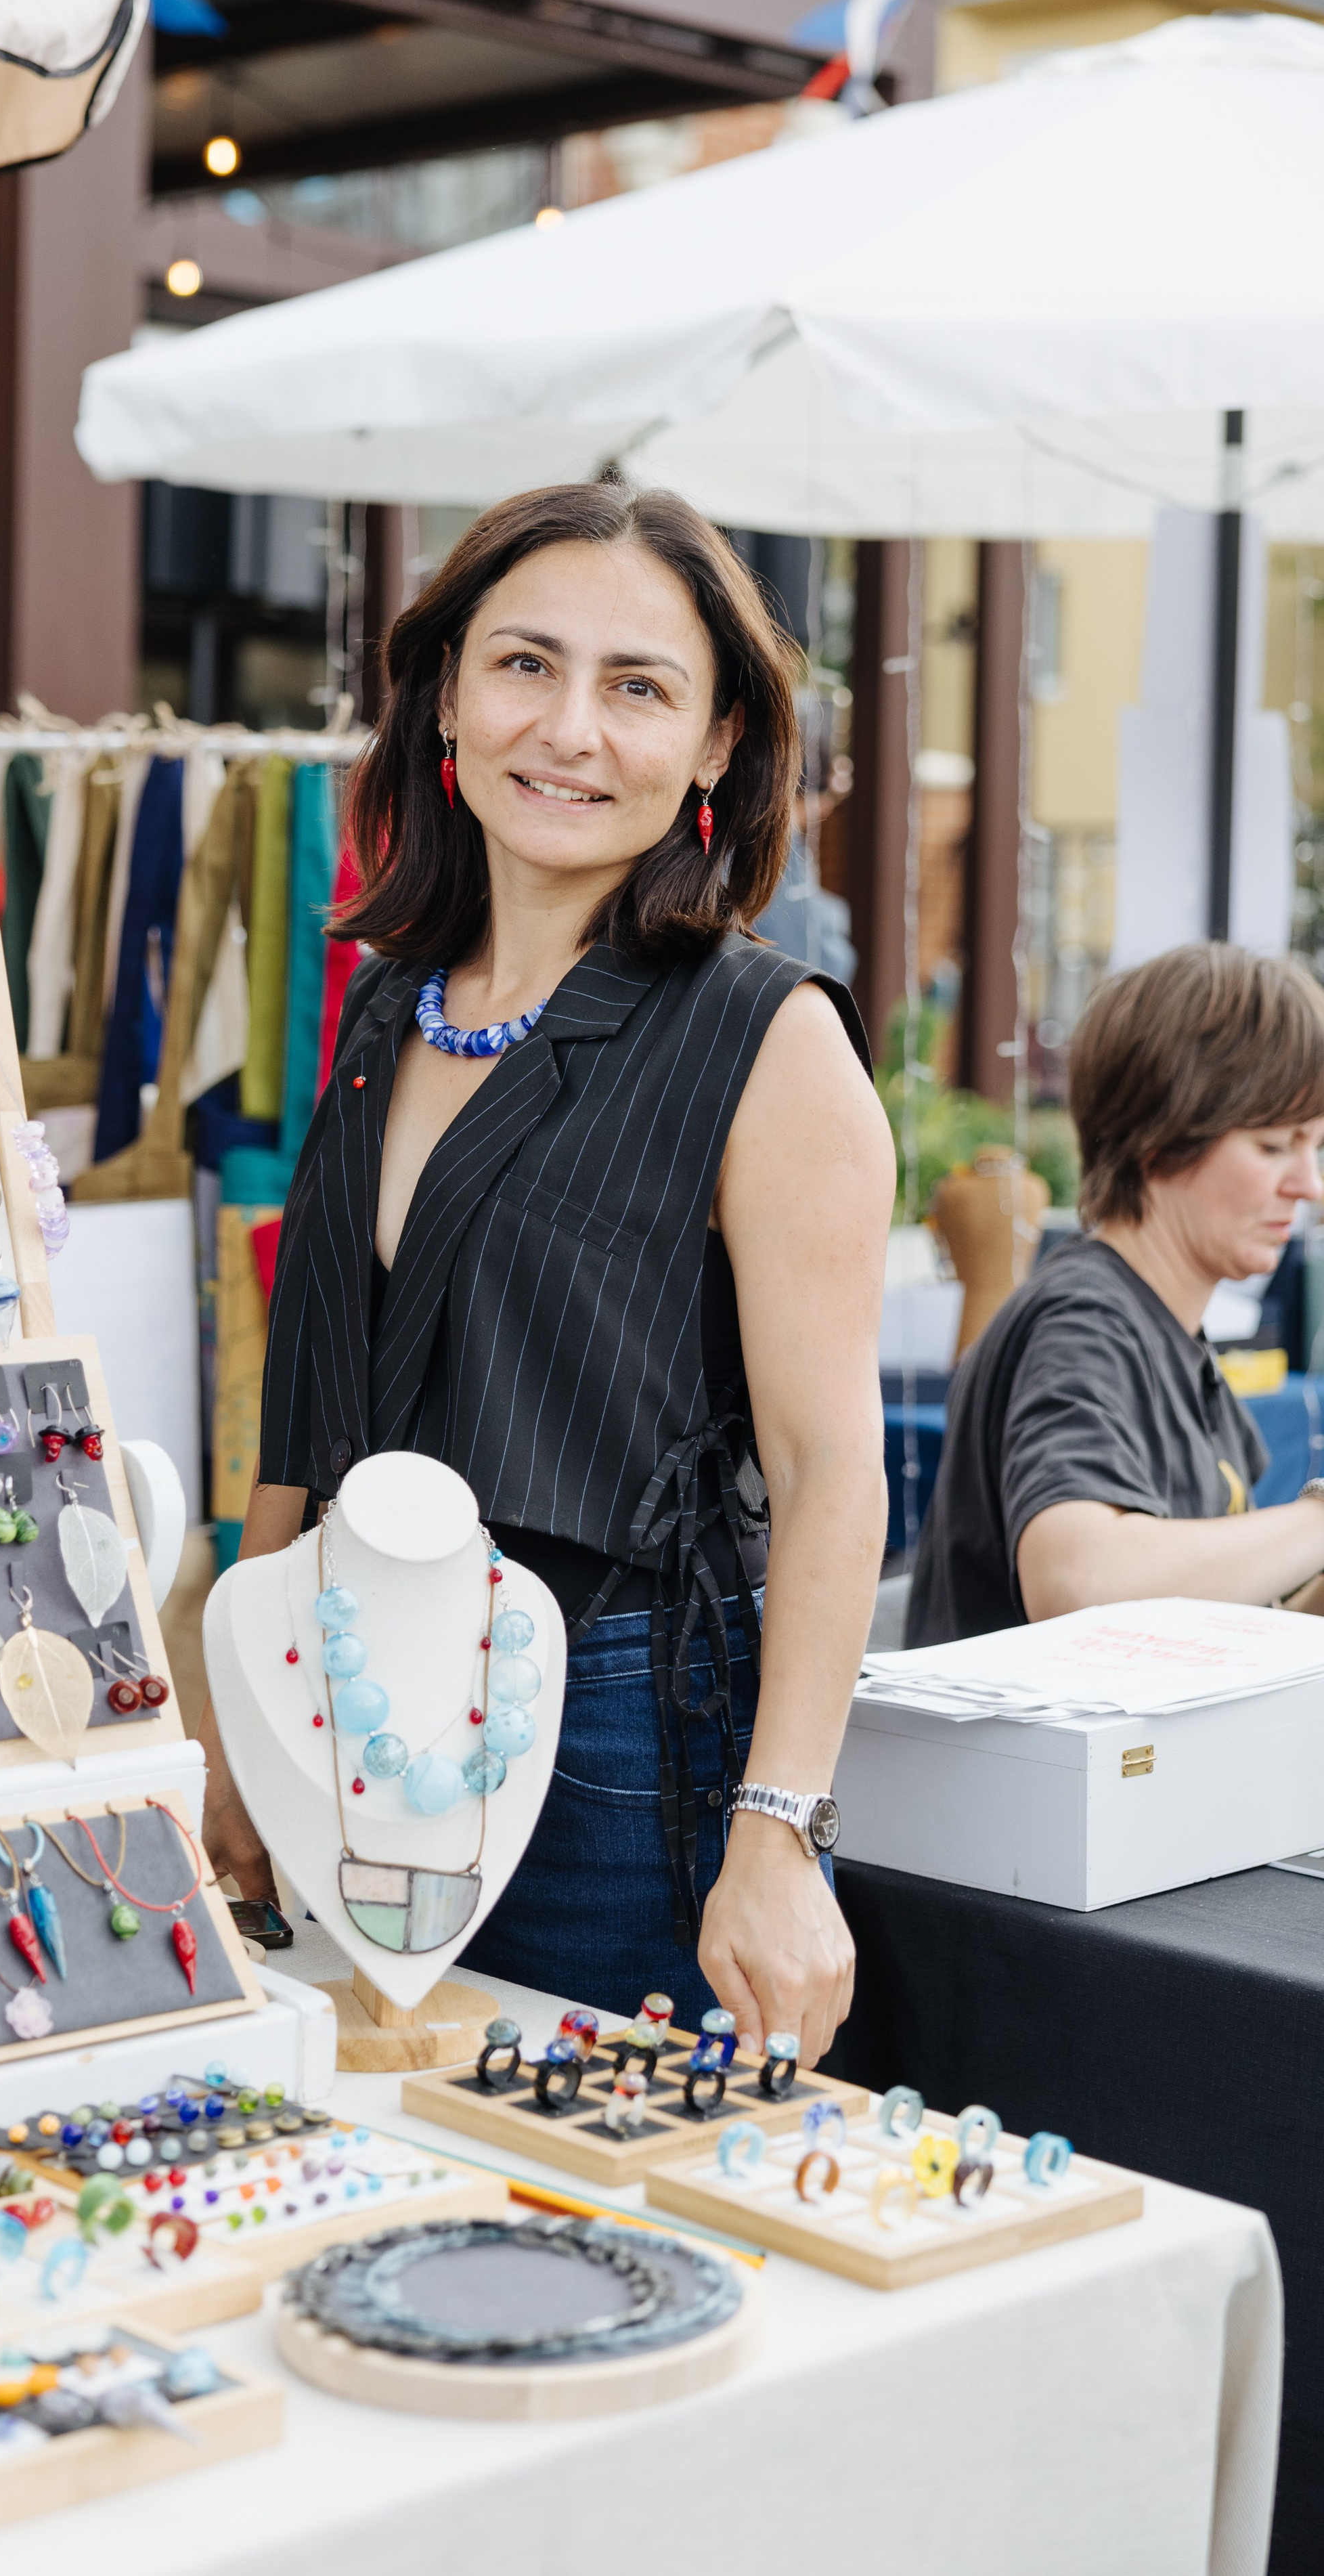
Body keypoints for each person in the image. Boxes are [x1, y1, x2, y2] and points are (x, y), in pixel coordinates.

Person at [197, 481, 893, 2057]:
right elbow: (305, 1417)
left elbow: (827, 1466)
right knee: (365, 2163)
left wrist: (779, 1832)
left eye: (637, 687)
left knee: (587, 2223)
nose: (568, 727)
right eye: (524, 663)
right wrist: (239, 1721)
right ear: (446, 691)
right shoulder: (389, 1007)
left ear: (717, 744)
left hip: (608, 1750)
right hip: (345, 1710)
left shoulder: (764, 1038)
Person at [909, 943, 1324, 1646]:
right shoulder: (1085, 1324)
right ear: (1159, 1140)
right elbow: (1077, 1581)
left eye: (1314, 1147)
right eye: (1273, 1146)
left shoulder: (1153, 1330)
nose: (1307, 1184)